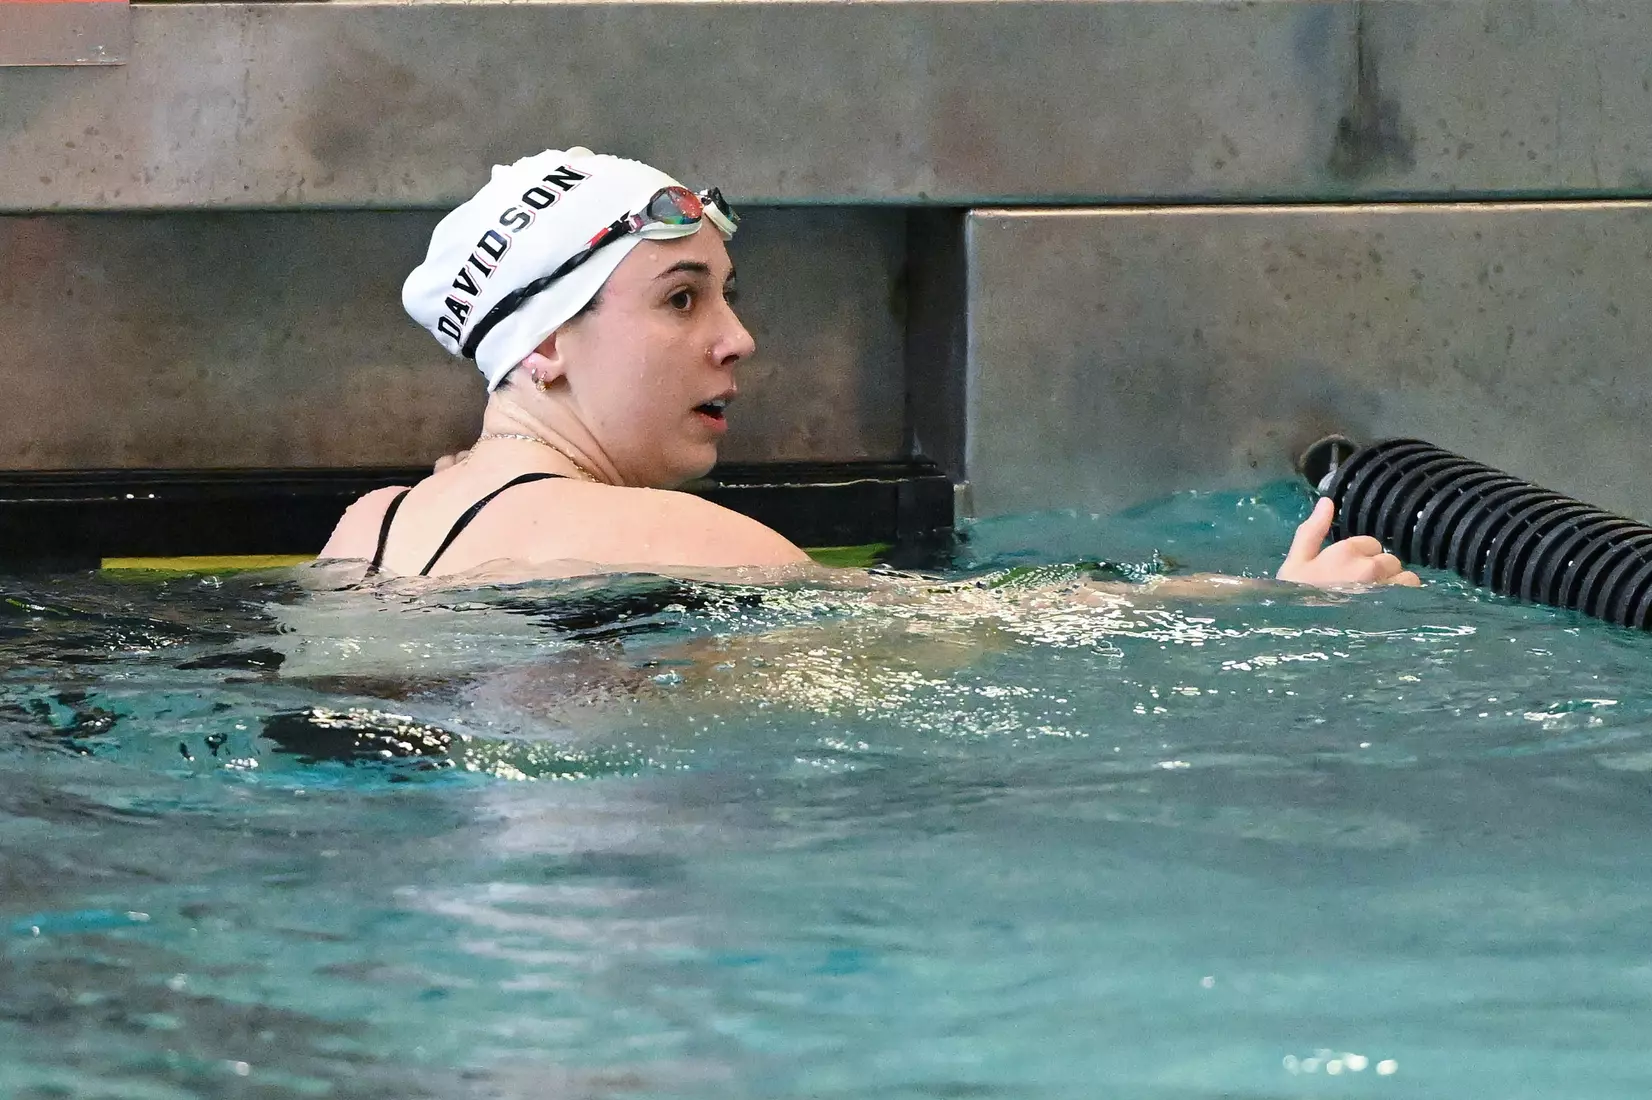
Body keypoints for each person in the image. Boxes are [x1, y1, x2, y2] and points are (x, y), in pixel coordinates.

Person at [320, 146, 1417, 590]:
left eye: (725, 295)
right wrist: (1270, 603)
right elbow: (971, 637)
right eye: (679, 298)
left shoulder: (368, 528)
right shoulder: (667, 540)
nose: (735, 338)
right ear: (545, 343)